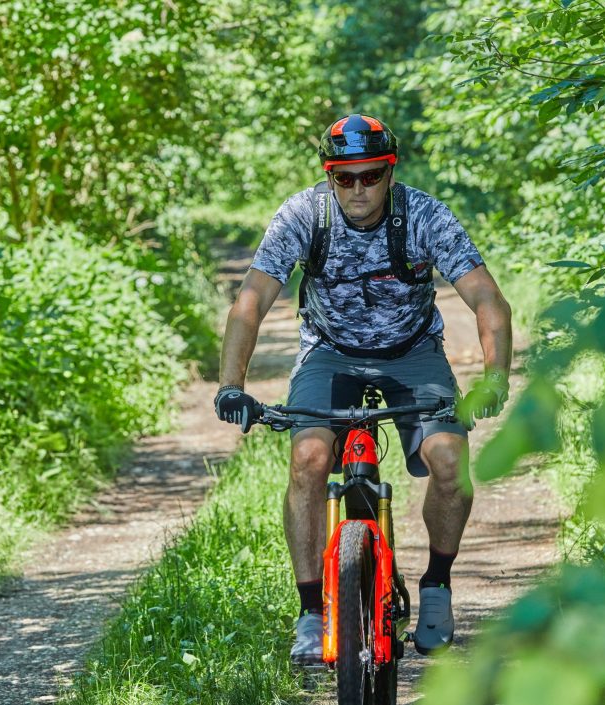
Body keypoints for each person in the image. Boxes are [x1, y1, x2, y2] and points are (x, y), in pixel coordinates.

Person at [213, 114, 513, 663]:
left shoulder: (424, 215)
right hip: (330, 352)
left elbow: (489, 301)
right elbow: (251, 302)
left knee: (449, 458)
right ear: (330, 176)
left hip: (413, 352)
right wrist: (232, 386)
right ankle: (310, 611)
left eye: (370, 176)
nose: (358, 188)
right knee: (307, 457)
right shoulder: (304, 215)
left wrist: (494, 377)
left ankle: (438, 588)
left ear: (389, 172)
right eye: (344, 177)